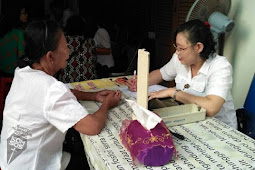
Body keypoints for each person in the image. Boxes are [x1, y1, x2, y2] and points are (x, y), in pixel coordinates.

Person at [0, 20, 121, 170]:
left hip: (12, 162)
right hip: (34, 165)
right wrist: (106, 104)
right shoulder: (51, 89)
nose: (69, 52)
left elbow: (56, 93)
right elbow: (93, 126)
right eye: (65, 47)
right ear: (50, 57)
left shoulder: (24, 72)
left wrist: (94, 96)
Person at [126, 19, 237, 129]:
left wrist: (174, 92)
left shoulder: (220, 66)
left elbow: (212, 107)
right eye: (176, 48)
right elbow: (160, 74)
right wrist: (140, 82)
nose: (177, 52)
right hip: (191, 122)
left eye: (181, 48)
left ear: (198, 47)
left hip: (219, 128)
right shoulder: (179, 59)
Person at [0, 5, 29, 76]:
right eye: (24, 13)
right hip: (12, 73)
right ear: (16, 15)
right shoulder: (19, 33)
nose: (27, 15)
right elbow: (21, 57)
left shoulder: (2, 31)